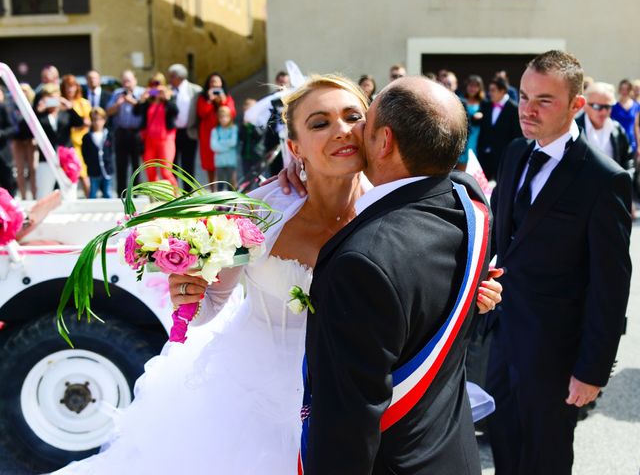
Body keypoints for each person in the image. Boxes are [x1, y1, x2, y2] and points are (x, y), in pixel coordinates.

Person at [52, 74, 502, 475]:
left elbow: (421, 283)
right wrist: (189, 291)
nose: (342, 130)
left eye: (353, 117)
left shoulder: (397, 211)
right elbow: (210, 311)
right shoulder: (257, 215)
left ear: (376, 135)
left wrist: (469, 294)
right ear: (294, 148)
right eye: (319, 123)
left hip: (360, 400)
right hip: (258, 396)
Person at [300, 76, 490, 474]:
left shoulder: (362, 262)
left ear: (384, 142)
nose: (350, 131)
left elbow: (346, 421)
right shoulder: (470, 207)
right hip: (452, 456)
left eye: (362, 121)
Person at [486, 50, 632, 475]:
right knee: (505, 452)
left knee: (546, 460)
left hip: (557, 357)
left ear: (576, 105)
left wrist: (592, 371)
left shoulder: (604, 180)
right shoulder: (515, 152)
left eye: (544, 100)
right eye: (524, 96)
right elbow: (504, 243)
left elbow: (611, 287)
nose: (527, 110)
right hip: (503, 342)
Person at [34, 83, 85, 198]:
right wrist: (38, 111)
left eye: (54, 97)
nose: (52, 100)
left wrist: (70, 107)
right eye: (49, 97)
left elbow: (80, 123)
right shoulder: (40, 114)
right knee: (43, 192)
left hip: (65, 157)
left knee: (69, 192)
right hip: (46, 157)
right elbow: (26, 130)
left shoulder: (65, 113)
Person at [576, 82, 634, 170]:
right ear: (585, 105)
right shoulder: (574, 129)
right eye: (597, 106)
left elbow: (628, 160)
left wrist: (627, 178)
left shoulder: (616, 128)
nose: (603, 112)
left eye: (607, 107)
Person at [134, 73, 179, 187]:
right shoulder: (148, 101)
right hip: (149, 141)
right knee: (150, 172)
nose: (155, 86)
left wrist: (167, 99)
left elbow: (175, 112)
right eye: (152, 84)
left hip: (166, 140)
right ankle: (155, 200)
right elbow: (136, 112)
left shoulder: (169, 97)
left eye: (157, 83)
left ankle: (177, 197)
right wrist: (142, 100)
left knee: (166, 172)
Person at [107, 70, 145, 195]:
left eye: (128, 80)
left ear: (135, 80)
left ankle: (136, 192)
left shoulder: (142, 92)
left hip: (136, 133)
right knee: (121, 164)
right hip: (121, 132)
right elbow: (108, 111)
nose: (126, 84)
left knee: (136, 165)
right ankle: (121, 192)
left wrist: (133, 101)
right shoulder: (117, 93)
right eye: (123, 81)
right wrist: (118, 104)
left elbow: (148, 106)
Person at [477, 76, 522, 181]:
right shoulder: (486, 105)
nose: (489, 93)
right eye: (489, 90)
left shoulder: (514, 109)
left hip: (504, 158)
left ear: (502, 91)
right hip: (484, 156)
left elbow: (517, 135)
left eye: (493, 90)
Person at [196, 72, 237, 185]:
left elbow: (231, 114)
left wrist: (223, 101)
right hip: (208, 134)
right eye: (212, 82)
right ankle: (213, 189)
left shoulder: (227, 97)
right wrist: (209, 100)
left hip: (224, 134)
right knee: (210, 163)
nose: (215, 84)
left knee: (226, 163)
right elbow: (201, 113)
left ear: (221, 84)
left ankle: (229, 189)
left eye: (217, 81)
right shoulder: (203, 98)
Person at [167, 63, 201, 186]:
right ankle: (174, 193)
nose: (169, 79)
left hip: (189, 131)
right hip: (172, 133)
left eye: (171, 76)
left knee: (188, 165)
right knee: (172, 164)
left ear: (179, 77)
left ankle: (188, 193)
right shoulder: (167, 90)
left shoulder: (195, 90)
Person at [61, 74, 92, 197]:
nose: (70, 89)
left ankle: (90, 198)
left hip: (80, 142)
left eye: (72, 86)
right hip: (66, 143)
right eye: (67, 86)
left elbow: (87, 122)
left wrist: (74, 124)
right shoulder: (61, 103)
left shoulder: (83, 103)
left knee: (82, 172)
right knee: (67, 173)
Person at [9, 83, 37, 199]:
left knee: (33, 169)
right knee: (20, 171)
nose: (23, 92)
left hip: (31, 141)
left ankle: (35, 196)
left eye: (25, 90)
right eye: (21, 90)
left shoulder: (33, 105)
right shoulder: (12, 106)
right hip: (18, 141)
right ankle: (24, 196)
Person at [82, 107, 114, 199]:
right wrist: (89, 164)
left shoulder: (109, 135)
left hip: (106, 170)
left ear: (104, 120)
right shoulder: (87, 137)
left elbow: (111, 150)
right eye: (94, 120)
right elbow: (85, 153)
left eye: (100, 119)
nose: (97, 122)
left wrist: (108, 161)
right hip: (93, 170)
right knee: (92, 193)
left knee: (107, 193)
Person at [210, 105, 238, 187]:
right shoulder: (215, 130)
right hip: (219, 162)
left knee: (232, 185)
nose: (224, 119)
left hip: (231, 162)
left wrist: (220, 143)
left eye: (226, 117)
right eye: (222, 117)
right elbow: (214, 146)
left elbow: (233, 142)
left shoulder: (233, 128)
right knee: (220, 185)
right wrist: (227, 145)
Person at [611, 79, 640, 155]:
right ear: (619, 90)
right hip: (618, 141)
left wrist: (639, 146)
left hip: (632, 141)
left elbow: (636, 126)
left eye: (627, 89)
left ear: (630, 90)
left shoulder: (636, 106)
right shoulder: (613, 107)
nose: (625, 92)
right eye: (622, 89)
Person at [463, 74, 485, 159]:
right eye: (470, 85)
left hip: (477, 136)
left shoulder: (484, 102)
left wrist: (482, 115)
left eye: (476, 86)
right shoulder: (460, 99)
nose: (472, 88)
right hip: (465, 135)